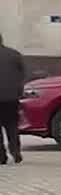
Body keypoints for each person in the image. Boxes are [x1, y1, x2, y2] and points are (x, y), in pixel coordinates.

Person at [0, 33, 26, 164]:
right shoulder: (14, 54)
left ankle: (1, 157)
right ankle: (16, 152)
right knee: (12, 126)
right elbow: (22, 74)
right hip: (11, 98)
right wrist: (18, 91)